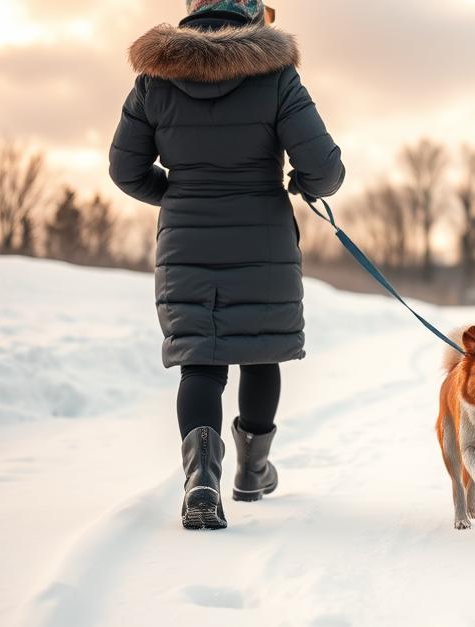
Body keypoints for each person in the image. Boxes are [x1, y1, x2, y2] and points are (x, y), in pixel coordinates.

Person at [109, 0, 345, 530]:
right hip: (262, 235)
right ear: (251, 9)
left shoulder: (154, 78)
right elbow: (324, 169)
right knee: (259, 352)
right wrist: (304, 183)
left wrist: (179, 194)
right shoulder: (276, 75)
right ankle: (253, 472)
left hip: (187, 241)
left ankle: (201, 480)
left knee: (201, 360)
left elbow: (125, 169)